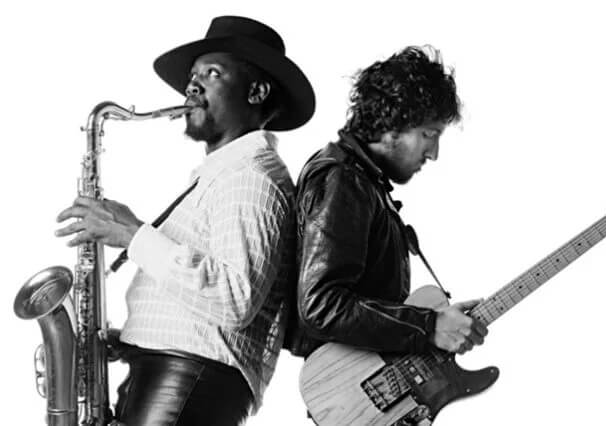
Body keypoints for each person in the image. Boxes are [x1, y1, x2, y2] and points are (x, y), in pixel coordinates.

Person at [55, 16, 315, 426]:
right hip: (177, 381)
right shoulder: (223, 176)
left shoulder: (251, 178)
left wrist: (133, 234)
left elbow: (233, 298)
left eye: (212, 73)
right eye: (193, 77)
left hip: (186, 384)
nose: (192, 86)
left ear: (257, 92)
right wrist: (135, 340)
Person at [287, 46, 487, 363]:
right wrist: (428, 326)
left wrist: (435, 323)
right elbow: (320, 305)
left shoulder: (363, 181)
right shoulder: (343, 180)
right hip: (344, 381)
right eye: (428, 134)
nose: (433, 153)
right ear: (392, 125)